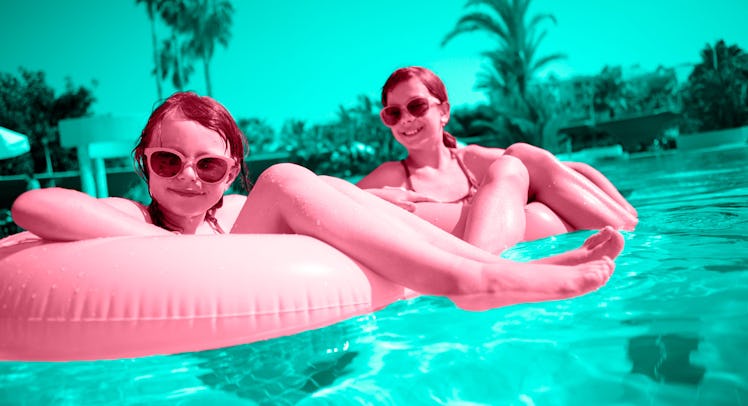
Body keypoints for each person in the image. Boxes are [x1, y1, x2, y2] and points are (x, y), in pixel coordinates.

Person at [11, 91, 624, 311]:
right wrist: (167, 244)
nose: (189, 178)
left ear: (229, 174)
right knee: (285, 178)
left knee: (324, 187)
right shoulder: (134, 212)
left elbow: (342, 209)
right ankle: (470, 282)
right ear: (144, 165)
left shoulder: (230, 213)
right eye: (169, 161)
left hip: (262, 313)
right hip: (214, 328)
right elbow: (34, 210)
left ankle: (491, 269)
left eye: (210, 165)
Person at [358, 66, 638, 254]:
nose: (406, 119)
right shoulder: (393, 176)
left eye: (416, 106)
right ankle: (630, 230)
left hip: (517, 250)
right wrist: (373, 197)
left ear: (444, 111)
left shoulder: (472, 161)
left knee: (521, 154)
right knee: (534, 197)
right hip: (492, 253)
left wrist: (623, 205)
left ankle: (632, 229)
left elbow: (571, 170)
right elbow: (328, 200)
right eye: (393, 113)